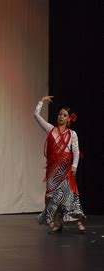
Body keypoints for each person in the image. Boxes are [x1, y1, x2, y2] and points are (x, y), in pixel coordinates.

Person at [34, 96, 85, 234]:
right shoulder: (51, 129)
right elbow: (36, 115)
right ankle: (57, 223)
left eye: (64, 115)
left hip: (66, 169)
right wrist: (42, 101)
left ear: (69, 119)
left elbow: (75, 151)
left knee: (69, 194)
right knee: (52, 198)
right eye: (59, 114)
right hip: (52, 170)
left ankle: (79, 221)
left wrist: (74, 166)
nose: (61, 117)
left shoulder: (72, 134)